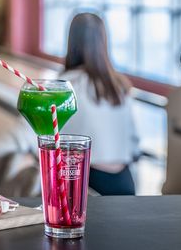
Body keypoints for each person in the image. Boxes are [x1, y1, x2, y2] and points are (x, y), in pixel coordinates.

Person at [59, 12, 138, 196]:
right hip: (125, 182)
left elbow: (33, 136)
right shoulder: (120, 85)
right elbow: (134, 144)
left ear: (72, 42)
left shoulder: (67, 85)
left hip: (89, 182)